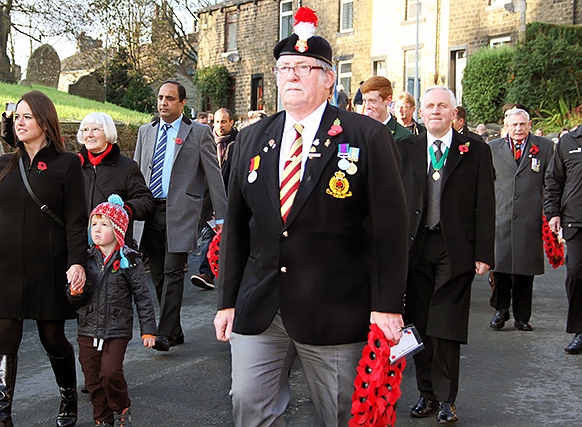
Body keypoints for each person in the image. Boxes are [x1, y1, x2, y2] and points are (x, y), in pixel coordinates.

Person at [214, 7, 408, 426]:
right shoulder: (250, 138)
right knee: (247, 402)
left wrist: (387, 305)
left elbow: (391, 229)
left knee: (342, 411)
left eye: (305, 67)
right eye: (285, 68)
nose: (293, 76)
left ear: (328, 78)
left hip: (335, 307)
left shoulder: (365, 136)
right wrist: (226, 300)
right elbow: (236, 229)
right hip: (262, 305)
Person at [0, 90, 87, 426]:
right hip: (5, 268)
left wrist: (76, 262)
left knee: (52, 337)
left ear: (45, 122)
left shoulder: (68, 164)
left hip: (48, 268)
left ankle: (68, 396)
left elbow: (77, 221)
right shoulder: (5, 164)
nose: (19, 122)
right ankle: (1, 416)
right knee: (5, 337)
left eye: (27, 116)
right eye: (17, 116)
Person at [397, 86, 495, 424]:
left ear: (454, 113)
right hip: (415, 248)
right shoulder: (404, 149)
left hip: (455, 250)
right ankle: (425, 394)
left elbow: (486, 204)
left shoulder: (476, 151)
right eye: (429, 106)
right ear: (420, 113)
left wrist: (484, 252)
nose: (435, 111)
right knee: (420, 324)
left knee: (447, 325)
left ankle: (445, 400)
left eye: (443, 106)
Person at [133, 80, 227, 352]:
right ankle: (174, 330)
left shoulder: (198, 133)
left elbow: (213, 175)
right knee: (159, 275)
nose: (163, 103)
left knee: (174, 272)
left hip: (182, 213)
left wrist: (222, 217)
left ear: (182, 103)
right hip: (150, 212)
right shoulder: (145, 132)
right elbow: (138, 173)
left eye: (170, 98)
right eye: (161, 97)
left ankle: (164, 334)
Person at [68, 195, 156, 427]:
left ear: (118, 229)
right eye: (94, 224)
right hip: (88, 328)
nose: (97, 229)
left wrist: (148, 330)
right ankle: (102, 418)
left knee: (110, 373)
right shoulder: (85, 260)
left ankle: (121, 405)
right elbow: (73, 297)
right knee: (92, 379)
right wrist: (74, 292)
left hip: (117, 328)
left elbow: (143, 297)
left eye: (104, 224)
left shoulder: (129, 260)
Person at [545, 93, 582, 355]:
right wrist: (553, 212)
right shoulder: (568, 142)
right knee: (576, 275)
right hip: (575, 222)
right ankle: (581, 332)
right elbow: (553, 180)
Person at [487, 108, 554, 332]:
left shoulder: (544, 147)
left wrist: (549, 213)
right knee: (501, 266)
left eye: (522, 124)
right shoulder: (493, 148)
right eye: (513, 125)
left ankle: (522, 316)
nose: (518, 129)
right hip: (501, 216)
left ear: (530, 124)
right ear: (506, 125)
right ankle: (500, 310)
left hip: (530, 217)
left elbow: (551, 182)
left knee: (526, 269)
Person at [76, 112, 154, 248]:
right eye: (85, 130)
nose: (89, 134)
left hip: (114, 250)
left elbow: (146, 201)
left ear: (108, 132)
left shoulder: (127, 167)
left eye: (95, 129)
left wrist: (124, 209)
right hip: (78, 246)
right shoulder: (74, 166)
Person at [190, 108, 237, 291]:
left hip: (231, 198)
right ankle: (206, 274)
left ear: (231, 123)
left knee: (231, 238)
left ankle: (230, 274)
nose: (219, 126)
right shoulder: (206, 141)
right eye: (216, 122)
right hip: (210, 200)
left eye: (223, 122)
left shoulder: (239, 143)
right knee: (209, 236)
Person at [361, 76, 414, 141]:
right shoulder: (359, 131)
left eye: (372, 101)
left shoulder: (403, 136)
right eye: (365, 101)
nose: (367, 106)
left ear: (388, 100)